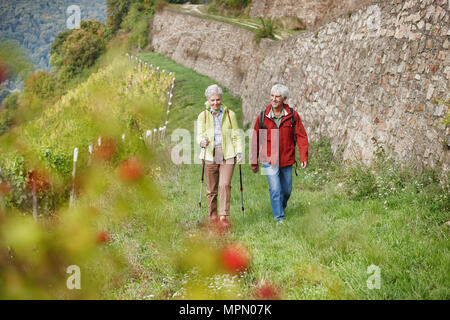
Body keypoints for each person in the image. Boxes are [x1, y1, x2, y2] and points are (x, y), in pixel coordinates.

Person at [251, 84, 308, 224]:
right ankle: (279, 218)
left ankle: (280, 207)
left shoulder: (292, 115)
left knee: (287, 190)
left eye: (277, 96)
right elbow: (255, 139)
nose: (274, 99)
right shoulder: (263, 117)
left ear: (284, 99)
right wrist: (254, 161)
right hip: (268, 158)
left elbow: (301, 136)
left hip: (287, 158)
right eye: (272, 96)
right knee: (275, 188)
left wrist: (303, 156)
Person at [197, 84, 243, 228]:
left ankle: (223, 217)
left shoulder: (230, 115)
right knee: (211, 188)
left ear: (221, 99)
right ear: (208, 100)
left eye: (217, 99)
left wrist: (239, 151)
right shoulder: (203, 116)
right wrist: (202, 142)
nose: (215, 103)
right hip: (210, 153)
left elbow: (236, 135)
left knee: (224, 184)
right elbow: (199, 135)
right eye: (212, 100)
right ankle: (213, 216)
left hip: (227, 153)